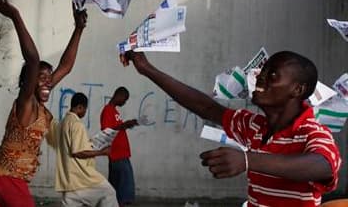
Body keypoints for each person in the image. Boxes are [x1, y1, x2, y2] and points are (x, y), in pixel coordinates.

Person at [121, 50, 341, 207]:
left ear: (297, 89)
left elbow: (323, 166)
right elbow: (205, 106)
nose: (260, 77)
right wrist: (148, 69)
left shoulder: (313, 132)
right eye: (262, 71)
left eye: (272, 75)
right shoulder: (254, 126)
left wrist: (247, 160)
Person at [0, 0, 88, 207]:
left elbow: (65, 67)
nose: (48, 82)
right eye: (42, 78)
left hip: (1, 178)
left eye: (49, 78)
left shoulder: (40, 100)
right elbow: (32, 60)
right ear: (29, 82)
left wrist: (78, 29)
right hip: (4, 178)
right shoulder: (26, 102)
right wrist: (15, 16)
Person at [47, 92, 119, 207]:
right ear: (80, 107)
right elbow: (78, 152)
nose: (85, 112)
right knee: (109, 193)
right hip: (82, 178)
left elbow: (69, 144)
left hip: (69, 182)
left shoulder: (63, 122)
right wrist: (102, 152)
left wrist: (89, 143)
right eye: (85, 109)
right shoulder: (76, 124)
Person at [100, 87, 138, 206]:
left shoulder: (114, 111)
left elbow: (115, 129)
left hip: (120, 154)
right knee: (125, 190)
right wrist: (123, 125)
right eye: (124, 99)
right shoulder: (108, 110)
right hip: (117, 155)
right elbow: (107, 131)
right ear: (119, 96)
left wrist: (125, 125)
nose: (124, 102)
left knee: (116, 191)